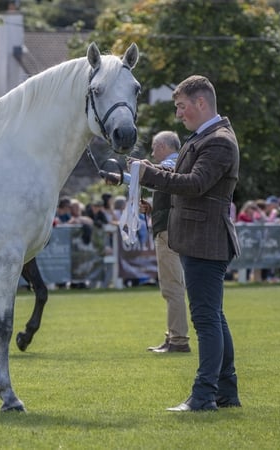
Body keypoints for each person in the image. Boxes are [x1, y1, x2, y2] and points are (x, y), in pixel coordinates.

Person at [102, 75, 241, 412]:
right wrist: (142, 170)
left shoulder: (218, 141)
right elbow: (181, 179)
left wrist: (146, 174)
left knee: (206, 320)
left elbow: (194, 184)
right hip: (199, 238)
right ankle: (225, 391)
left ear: (201, 103)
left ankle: (204, 395)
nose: (179, 114)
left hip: (204, 240)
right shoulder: (205, 137)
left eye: (181, 106)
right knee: (214, 318)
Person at [139, 131, 190, 354]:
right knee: (172, 286)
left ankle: (178, 340)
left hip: (168, 232)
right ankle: (173, 336)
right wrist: (152, 208)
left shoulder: (170, 164)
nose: (152, 152)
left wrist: (144, 167)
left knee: (172, 287)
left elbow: (165, 174)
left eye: (154, 147)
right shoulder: (177, 163)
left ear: (162, 146)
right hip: (170, 229)